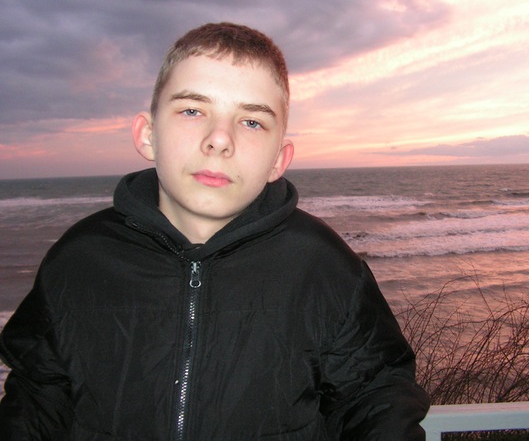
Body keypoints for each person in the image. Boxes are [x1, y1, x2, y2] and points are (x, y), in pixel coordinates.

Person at [0, 22, 429, 439]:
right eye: (192, 110)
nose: (220, 139)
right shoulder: (79, 259)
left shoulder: (324, 266)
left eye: (251, 121)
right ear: (148, 135)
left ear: (278, 160)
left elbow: (375, 398)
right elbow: (37, 396)